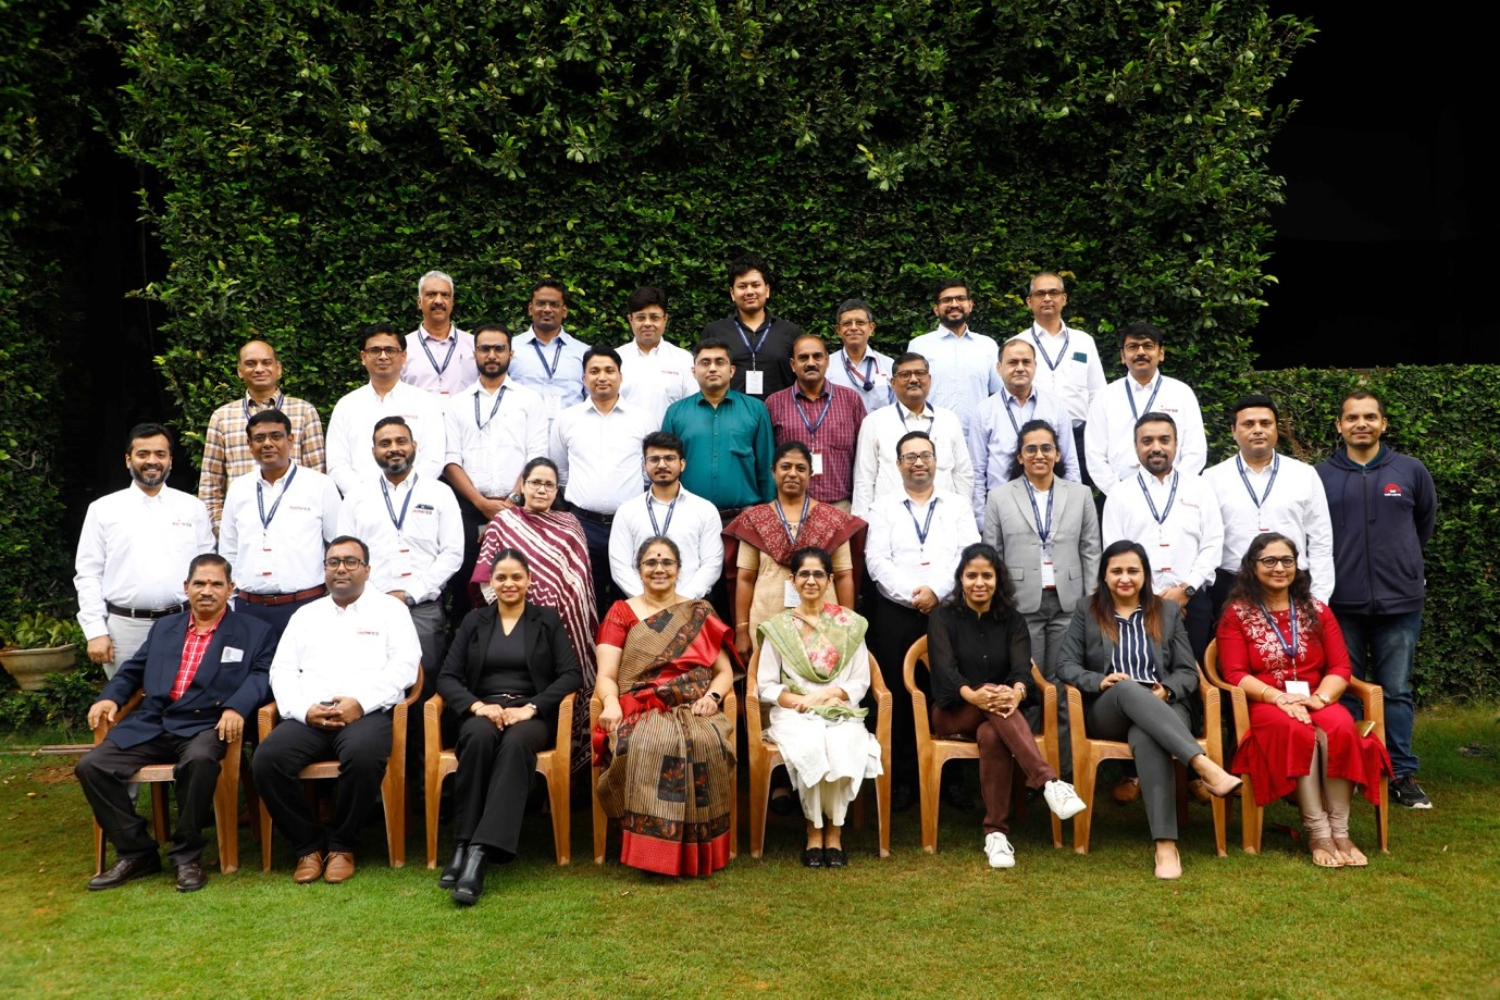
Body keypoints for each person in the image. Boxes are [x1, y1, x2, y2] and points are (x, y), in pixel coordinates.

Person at [77, 554, 275, 892]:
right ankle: (137, 851)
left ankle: (187, 856)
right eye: (199, 583)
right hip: (153, 722)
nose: (207, 591)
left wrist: (235, 708)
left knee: (198, 762)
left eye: (216, 584)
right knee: (92, 766)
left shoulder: (254, 631)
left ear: (231, 588)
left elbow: (261, 677)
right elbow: (133, 671)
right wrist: (110, 697)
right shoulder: (165, 628)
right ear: (186, 588)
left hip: (207, 724)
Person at [1055, 540, 1243, 879]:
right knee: (1128, 687)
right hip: (1110, 706)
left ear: (1145, 575)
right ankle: (1203, 766)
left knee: (1147, 733)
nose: (1124, 578)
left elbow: (1187, 671)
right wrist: (1098, 681)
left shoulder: (1166, 611)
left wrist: (1167, 690)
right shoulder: (1088, 609)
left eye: (1132, 571)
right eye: (1116, 571)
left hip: (1166, 706)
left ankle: (1166, 846)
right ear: (1104, 575)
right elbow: (1065, 665)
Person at [1215, 533, 1392, 868]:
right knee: (1299, 731)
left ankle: (1340, 831)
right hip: (1266, 704)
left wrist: (1321, 698)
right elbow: (1235, 673)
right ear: (1252, 567)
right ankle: (1318, 832)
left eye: (1287, 561)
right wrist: (1278, 697)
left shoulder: (1317, 609)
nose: (1279, 568)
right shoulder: (1237, 614)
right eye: (1269, 561)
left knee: (1340, 727)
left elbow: (1341, 666)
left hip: (1318, 699)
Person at [252, 536, 421, 884]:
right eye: (333, 562)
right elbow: (281, 671)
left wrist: (361, 702)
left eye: (350, 562)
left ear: (367, 570)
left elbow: (405, 667)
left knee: (362, 756)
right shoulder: (306, 615)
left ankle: (343, 845)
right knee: (267, 761)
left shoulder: (391, 611)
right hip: (310, 714)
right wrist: (303, 710)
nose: (341, 568)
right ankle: (308, 847)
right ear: (325, 569)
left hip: (367, 712)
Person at [435, 549, 583, 904]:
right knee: (476, 739)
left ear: (529, 580)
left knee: (516, 745)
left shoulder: (546, 620)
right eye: (501, 577)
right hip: (483, 710)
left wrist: (531, 708)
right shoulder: (474, 622)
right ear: (491, 583)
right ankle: (462, 842)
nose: (509, 583)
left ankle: (478, 853)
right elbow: (448, 677)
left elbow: (571, 674)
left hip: (528, 714)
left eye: (516, 576)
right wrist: (478, 706)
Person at [927, 543, 1087, 869]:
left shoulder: (1012, 620)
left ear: (998, 579)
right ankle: (1049, 782)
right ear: (961, 580)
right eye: (971, 575)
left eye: (987, 575)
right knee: (991, 699)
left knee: (992, 734)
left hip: (998, 714)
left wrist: (1014, 692)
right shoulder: (943, 618)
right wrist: (976, 694)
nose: (979, 582)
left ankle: (996, 835)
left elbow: (1021, 670)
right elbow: (945, 672)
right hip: (953, 711)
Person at [1316, 390, 1437, 809]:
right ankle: (1352, 772)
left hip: (1400, 602)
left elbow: (1423, 523)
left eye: (1369, 416)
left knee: (1396, 689)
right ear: (1339, 426)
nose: (1361, 423)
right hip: (1341, 603)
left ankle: (1401, 773)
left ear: (1383, 423)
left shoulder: (1410, 471)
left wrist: (1399, 567)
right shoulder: (1321, 476)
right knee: (1345, 690)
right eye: (1352, 417)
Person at [594, 536, 737, 876]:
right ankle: (651, 852)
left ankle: (699, 850)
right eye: (651, 563)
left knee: (705, 743)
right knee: (649, 743)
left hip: (694, 706)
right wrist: (611, 704)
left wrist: (712, 698)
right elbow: (606, 675)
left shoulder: (698, 612)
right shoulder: (621, 613)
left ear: (678, 569)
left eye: (667, 563)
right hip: (640, 707)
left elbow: (724, 671)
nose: (659, 569)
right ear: (639, 570)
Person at [863, 429, 980, 811]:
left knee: (951, 691)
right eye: (910, 456)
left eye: (925, 455)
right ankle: (902, 781)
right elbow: (877, 560)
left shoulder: (958, 505)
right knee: (896, 696)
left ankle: (953, 780)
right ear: (898, 465)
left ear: (936, 460)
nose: (918, 462)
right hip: (897, 615)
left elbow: (968, 555)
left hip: (949, 613)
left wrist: (937, 592)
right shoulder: (882, 507)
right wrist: (915, 595)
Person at [983, 419, 1101, 775]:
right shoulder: (999, 496)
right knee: (1027, 684)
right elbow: (993, 553)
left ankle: (1062, 767)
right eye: (1031, 448)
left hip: (1069, 604)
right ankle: (1029, 769)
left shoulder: (1079, 494)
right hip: (1021, 605)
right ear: (1020, 456)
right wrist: (999, 605)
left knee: (1063, 685)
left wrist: (1092, 600)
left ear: (1058, 453)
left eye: (1046, 448)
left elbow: (1091, 549)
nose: (1039, 455)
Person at [756, 547, 883, 868]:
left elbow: (859, 681)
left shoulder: (850, 625)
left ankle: (835, 833)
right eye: (804, 574)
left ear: (829, 580)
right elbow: (767, 684)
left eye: (818, 574)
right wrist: (799, 701)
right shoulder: (778, 628)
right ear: (792, 580)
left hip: (840, 708)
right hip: (793, 712)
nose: (810, 580)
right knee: (812, 745)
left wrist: (830, 696)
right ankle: (814, 831)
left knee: (841, 744)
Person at [471, 457, 599, 771]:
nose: (542, 489)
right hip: (513, 629)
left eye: (549, 485)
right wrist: (513, 619)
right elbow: (488, 577)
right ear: (523, 485)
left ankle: (559, 774)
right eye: (535, 483)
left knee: (560, 690)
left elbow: (579, 583)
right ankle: (512, 767)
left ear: (557, 491)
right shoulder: (504, 522)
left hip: (562, 631)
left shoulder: (570, 524)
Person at [75, 423, 215, 680]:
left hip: (184, 624)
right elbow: (88, 573)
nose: (152, 461)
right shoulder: (103, 509)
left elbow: (208, 571)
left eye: (160, 454)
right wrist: (95, 630)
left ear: (170, 461)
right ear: (128, 460)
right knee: (125, 706)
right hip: (124, 629)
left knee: (182, 705)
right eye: (143, 454)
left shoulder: (192, 508)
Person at [336, 416, 462, 684]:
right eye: (385, 443)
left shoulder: (439, 493)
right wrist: (371, 597)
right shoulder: (356, 497)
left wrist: (410, 594)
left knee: (424, 684)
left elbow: (452, 554)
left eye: (400, 441)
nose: (393, 448)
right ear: (373, 452)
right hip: (369, 608)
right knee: (369, 682)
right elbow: (345, 557)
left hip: (422, 609)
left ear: (414, 445)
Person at [441, 322, 549, 626]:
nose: (492, 354)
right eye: (485, 348)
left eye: (499, 348)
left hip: (520, 511)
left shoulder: (529, 400)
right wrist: (481, 504)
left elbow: (536, 457)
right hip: (470, 510)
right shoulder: (457, 404)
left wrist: (512, 501)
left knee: (519, 587)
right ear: (474, 353)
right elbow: (450, 461)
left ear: (511, 353)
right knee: (467, 590)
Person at [725, 441, 864, 662]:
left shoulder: (833, 520)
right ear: (773, 471)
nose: (792, 473)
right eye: (785, 467)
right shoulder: (755, 520)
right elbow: (745, 578)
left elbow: (844, 575)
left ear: (811, 473)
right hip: (766, 620)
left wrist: (846, 625)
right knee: (768, 688)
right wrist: (741, 630)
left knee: (819, 686)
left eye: (800, 468)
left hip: (823, 622)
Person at [1101, 412, 1223, 663]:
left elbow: (1212, 543)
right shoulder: (1120, 494)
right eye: (1147, 441)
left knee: (1194, 676)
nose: (1156, 447)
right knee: (1145, 675)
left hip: (1192, 602)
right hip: (1137, 605)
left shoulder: (1200, 488)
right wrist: (1151, 598)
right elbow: (1114, 553)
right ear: (1135, 447)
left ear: (1176, 444)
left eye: (1164, 440)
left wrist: (1186, 590)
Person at [1203, 394, 1334, 615]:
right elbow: (1205, 541)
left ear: (1275, 429)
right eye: (1248, 424)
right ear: (1233, 431)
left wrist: (1319, 598)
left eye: (1265, 423)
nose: (1257, 430)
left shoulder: (1304, 474)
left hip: (1292, 586)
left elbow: (1321, 541)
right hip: (1232, 587)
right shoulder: (1212, 478)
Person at [551, 345, 657, 615]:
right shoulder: (567, 420)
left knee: (632, 599)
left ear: (621, 376)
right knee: (586, 600)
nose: (602, 377)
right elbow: (560, 471)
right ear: (583, 379)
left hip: (630, 523)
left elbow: (650, 471)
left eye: (610, 370)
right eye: (594, 371)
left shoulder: (642, 420)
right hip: (583, 524)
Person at [219, 409, 343, 635]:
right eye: (259, 438)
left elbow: (339, 545)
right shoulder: (239, 488)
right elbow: (228, 551)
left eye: (276, 436)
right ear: (249, 444)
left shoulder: (320, 485)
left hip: (306, 605)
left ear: (291, 440)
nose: (267, 443)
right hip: (249, 609)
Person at [198, 340, 326, 531]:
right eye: (251, 363)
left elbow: (318, 477)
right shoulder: (222, 417)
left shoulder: (304, 411)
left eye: (266, 362)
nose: (259, 369)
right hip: (242, 528)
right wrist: (221, 530)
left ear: (278, 368)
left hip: (296, 527)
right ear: (240, 370)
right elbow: (210, 484)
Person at [1084, 322, 1206, 496]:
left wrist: (1173, 487)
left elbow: (1196, 451)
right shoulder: (1105, 397)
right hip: (1120, 496)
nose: (1141, 352)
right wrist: (1118, 493)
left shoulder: (1181, 393)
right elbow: (1094, 455)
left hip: (1175, 494)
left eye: (1148, 346)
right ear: (1123, 356)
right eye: (1133, 347)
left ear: (1161, 353)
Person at [325, 324, 447, 495]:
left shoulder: (425, 402)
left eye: (390, 350)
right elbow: (337, 463)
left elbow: (433, 459)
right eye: (375, 350)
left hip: (414, 501)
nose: (383, 356)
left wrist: (404, 492)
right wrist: (364, 496)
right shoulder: (346, 406)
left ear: (403, 356)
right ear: (363, 357)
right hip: (362, 503)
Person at [968, 338, 1080, 525]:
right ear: (999, 367)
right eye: (1012, 362)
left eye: (1026, 362)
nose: (1020, 368)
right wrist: (981, 520)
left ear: (1035, 366)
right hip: (1003, 510)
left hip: (1051, 506)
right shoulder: (984, 411)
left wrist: (1074, 512)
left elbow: (1070, 462)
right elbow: (977, 471)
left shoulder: (1056, 407)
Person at [661, 339, 775, 519]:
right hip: (689, 517)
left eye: (719, 362)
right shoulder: (676, 413)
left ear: (732, 370)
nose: (712, 368)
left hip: (744, 519)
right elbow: (665, 467)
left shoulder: (755, 410)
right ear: (694, 371)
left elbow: (766, 465)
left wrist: (770, 514)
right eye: (705, 363)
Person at [850, 351, 973, 518]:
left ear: (929, 380)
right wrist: (863, 524)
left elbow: (962, 473)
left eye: (920, 374)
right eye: (905, 375)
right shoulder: (875, 422)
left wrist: (963, 514)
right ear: (893, 382)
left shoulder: (948, 419)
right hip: (891, 519)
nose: (914, 379)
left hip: (943, 518)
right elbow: (864, 478)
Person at [608, 432, 722, 600]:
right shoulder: (627, 511)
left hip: (690, 606)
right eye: (654, 459)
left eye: (669, 458)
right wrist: (647, 601)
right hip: (640, 609)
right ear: (644, 464)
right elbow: (620, 566)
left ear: (682, 464)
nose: (662, 465)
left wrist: (681, 601)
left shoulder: (704, 510)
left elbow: (712, 563)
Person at [1014, 272, 1106, 482]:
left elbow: (1098, 394)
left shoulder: (1084, 342)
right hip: (1032, 440)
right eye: (1040, 293)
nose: (1047, 298)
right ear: (1030, 301)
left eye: (1053, 292)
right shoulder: (1017, 343)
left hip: (1079, 439)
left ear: (1064, 298)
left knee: (1075, 502)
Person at [765, 334, 866, 509]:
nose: (811, 363)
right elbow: (766, 457)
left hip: (840, 506)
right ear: (792, 365)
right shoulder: (774, 403)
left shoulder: (851, 400)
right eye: (803, 358)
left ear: (827, 361)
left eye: (817, 356)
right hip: (790, 508)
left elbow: (864, 455)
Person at [906, 278, 1002, 434]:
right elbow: (909, 395)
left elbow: (1000, 394)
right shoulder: (919, 346)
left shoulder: (988, 346)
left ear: (970, 305)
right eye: (947, 300)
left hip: (978, 437)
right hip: (931, 437)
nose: (954, 304)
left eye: (961, 299)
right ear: (936, 309)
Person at [699, 254, 800, 398]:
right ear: (732, 293)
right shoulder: (714, 331)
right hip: (730, 416)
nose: (750, 291)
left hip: (780, 417)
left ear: (767, 290)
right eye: (742, 286)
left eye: (756, 285)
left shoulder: (790, 332)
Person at [508, 278, 591, 430]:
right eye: (540, 303)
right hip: (522, 434)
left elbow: (593, 399)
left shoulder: (583, 352)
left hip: (570, 434)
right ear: (530, 308)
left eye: (554, 304)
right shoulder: (510, 349)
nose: (547, 309)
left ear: (564, 311)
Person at [616, 285, 697, 424]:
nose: (647, 323)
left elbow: (693, 408)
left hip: (669, 443)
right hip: (625, 444)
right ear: (630, 319)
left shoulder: (684, 360)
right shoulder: (615, 359)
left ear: (665, 319)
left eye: (654, 317)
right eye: (641, 317)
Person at [401, 269, 477, 397]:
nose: (438, 301)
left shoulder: (474, 344)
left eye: (445, 295)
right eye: (431, 294)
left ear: (452, 302)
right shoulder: (403, 347)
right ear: (419, 302)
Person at [825, 299, 893, 413]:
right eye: (847, 323)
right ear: (838, 330)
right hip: (842, 430)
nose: (853, 328)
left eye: (860, 323)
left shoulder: (888, 365)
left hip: (879, 430)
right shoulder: (827, 366)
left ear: (871, 328)